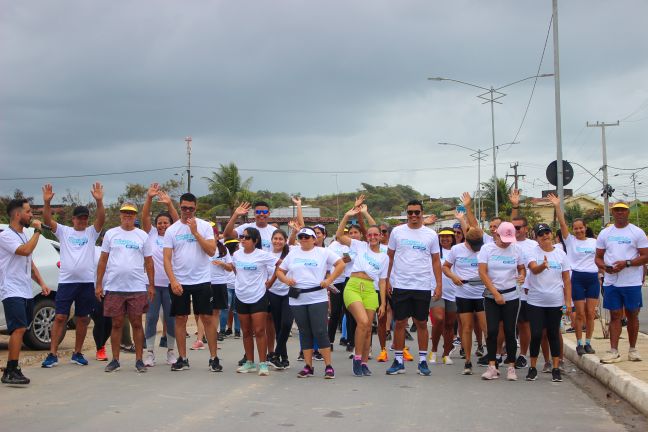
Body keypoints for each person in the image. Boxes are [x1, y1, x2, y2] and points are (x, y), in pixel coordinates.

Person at [40, 182, 105, 368]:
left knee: (83, 318)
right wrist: (46, 204)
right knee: (60, 317)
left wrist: (99, 201)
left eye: (85, 218)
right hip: (67, 282)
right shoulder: (64, 231)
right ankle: (52, 354)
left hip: (86, 283)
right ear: (73, 219)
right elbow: (47, 219)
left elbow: (101, 218)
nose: (82, 221)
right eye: (79, 218)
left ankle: (77, 353)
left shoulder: (92, 232)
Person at [276, 227, 345, 379]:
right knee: (304, 331)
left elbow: (340, 264)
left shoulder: (323, 252)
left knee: (320, 331)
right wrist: (287, 280)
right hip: (297, 298)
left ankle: (328, 366)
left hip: (317, 297)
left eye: (307, 236)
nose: (304, 239)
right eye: (301, 236)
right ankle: (308, 366)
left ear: (314, 239)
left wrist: (329, 280)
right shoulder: (293, 253)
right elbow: (279, 271)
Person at [163, 193, 220, 372]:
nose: (187, 211)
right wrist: (172, 281)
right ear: (179, 207)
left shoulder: (204, 226)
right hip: (180, 282)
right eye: (184, 208)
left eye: (191, 208)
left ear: (196, 208)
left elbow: (211, 251)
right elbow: (166, 258)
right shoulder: (172, 230)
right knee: (180, 319)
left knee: (207, 319)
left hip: (202, 280)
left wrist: (195, 232)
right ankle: (182, 358)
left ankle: (213, 358)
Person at [385, 199, 442, 376]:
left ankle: (423, 361)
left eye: (417, 212)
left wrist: (438, 285)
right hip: (401, 284)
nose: (414, 216)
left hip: (422, 285)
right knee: (400, 322)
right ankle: (398, 360)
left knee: (422, 323)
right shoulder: (397, 232)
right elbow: (390, 257)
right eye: (410, 212)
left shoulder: (431, 235)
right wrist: (387, 280)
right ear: (406, 214)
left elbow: (435, 261)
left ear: (422, 213)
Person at [95, 202, 154, 373]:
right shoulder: (111, 234)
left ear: (135, 216)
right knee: (116, 324)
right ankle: (115, 360)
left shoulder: (142, 236)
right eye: (125, 213)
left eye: (131, 214)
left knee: (136, 323)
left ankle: (139, 360)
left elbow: (149, 262)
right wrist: (99, 284)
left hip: (136, 286)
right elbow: (103, 260)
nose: (128, 216)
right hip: (114, 286)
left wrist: (150, 284)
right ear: (120, 215)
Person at [0, 199, 50, 385]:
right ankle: (10, 370)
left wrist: (42, 282)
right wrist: (37, 231)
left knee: (23, 328)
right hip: (11, 289)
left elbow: (30, 261)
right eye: (29, 212)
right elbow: (24, 250)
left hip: (25, 290)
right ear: (17, 214)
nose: (31, 216)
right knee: (18, 328)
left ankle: (14, 368)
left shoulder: (22, 235)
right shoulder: (6, 236)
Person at [336, 205, 389, 376]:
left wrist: (383, 304)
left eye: (376, 234)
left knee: (367, 329)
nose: (372, 237)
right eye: (370, 234)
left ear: (380, 237)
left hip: (371, 291)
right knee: (363, 322)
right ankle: (357, 358)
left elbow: (382, 282)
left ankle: (364, 363)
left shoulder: (384, 257)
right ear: (367, 236)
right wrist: (347, 215)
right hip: (353, 286)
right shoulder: (360, 246)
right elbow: (339, 236)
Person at [595, 202, 648, 363]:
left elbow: (645, 255)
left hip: (631, 281)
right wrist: (605, 267)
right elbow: (598, 257)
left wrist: (627, 263)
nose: (620, 213)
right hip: (612, 281)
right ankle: (613, 350)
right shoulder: (605, 233)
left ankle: (632, 349)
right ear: (612, 212)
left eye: (623, 210)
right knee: (615, 315)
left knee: (632, 313)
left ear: (628, 213)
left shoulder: (637, 232)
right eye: (616, 210)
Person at [548, 193, 599, 356]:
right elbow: (562, 224)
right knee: (580, 313)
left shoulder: (594, 242)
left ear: (585, 228)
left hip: (592, 278)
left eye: (581, 228)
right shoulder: (570, 241)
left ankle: (588, 342)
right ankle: (579, 343)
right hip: (577, 278)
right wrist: (557, 206)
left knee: (591, 314)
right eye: (576, 228)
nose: (578, 230)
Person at [478, 221, 526, 381]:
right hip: (492, 296)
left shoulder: (516, 249)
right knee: (492, 331)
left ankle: (511, 367)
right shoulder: (487, 249)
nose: (506, 243)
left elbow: (521, 267)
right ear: (497, 235)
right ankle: (492, 366)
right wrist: (495, 293)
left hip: (511, 296)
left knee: (509, 331)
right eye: (503, 239)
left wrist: (522, 275)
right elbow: (483, 273)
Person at [524, 223, 572, 382]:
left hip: (555, 301)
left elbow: (566, 279)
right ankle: (532, 368)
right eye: (541, 234)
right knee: (536, 334)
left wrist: (568, 302)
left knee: (553, 334)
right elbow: (533, 270)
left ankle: (556, 368)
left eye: (547, 233)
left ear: (551, 234)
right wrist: (542, 266)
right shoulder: (532, 252)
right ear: (536, 238)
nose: (545, 236)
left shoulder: (561, 254)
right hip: (535, 301)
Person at [141, 183, 179, 367]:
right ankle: (149, 353)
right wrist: (149, 198)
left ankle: (171, 352)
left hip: (171, 285)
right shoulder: (150, 234)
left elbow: (178, 220)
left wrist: (169, 204)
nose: (163, 225)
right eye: (160, 223)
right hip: (153, 285)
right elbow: (145, 216)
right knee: (151, 318)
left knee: (171, 319)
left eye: (166, 222)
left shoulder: (174, 235)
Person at [232, 227, 279, 376]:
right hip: (241, 295)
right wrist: (240, 281)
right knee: (246, 331)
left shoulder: (263, 255)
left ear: (255, 240)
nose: (243, 239)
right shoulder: (237, 254)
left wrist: (271, 281)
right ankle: (250, 363)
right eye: (242, 237)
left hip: (258, 296)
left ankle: (263, 363)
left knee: (259, 330)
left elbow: (280, 264)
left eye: (246, 237)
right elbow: (235, 268)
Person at [443, 226, 487, 375]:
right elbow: (446, 267)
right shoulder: (457, 250)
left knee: (486, 327)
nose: (476, 249)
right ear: (466, 241)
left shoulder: (485, 249)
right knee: (467, 328)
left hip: (482, 292)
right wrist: (454, 277)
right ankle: (468, 361)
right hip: (463, 293)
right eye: (473, 246)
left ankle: (492, 359)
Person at [265, 229, 295, 370]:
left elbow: (296, 236)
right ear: (271, 240)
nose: (277, 241)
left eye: (280, 239)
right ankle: (284, 358)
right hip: (273, 293)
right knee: (278, 327)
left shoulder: (291, 253)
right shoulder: (267, 256)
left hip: (289, 293)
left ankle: (276, 354)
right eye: (275, 238)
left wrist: (295, 231)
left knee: (287, 323)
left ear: (285, 240)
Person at [429, 228, 458, 366]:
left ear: (453, 238)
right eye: (442, 236)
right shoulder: (434, 252)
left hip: (454, 292)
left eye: (448, 236)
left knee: (450, 324)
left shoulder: (457, 251)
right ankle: (433, 350)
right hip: (436, 291)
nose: (445, 239)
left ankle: (446, 353)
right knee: (439, 319)